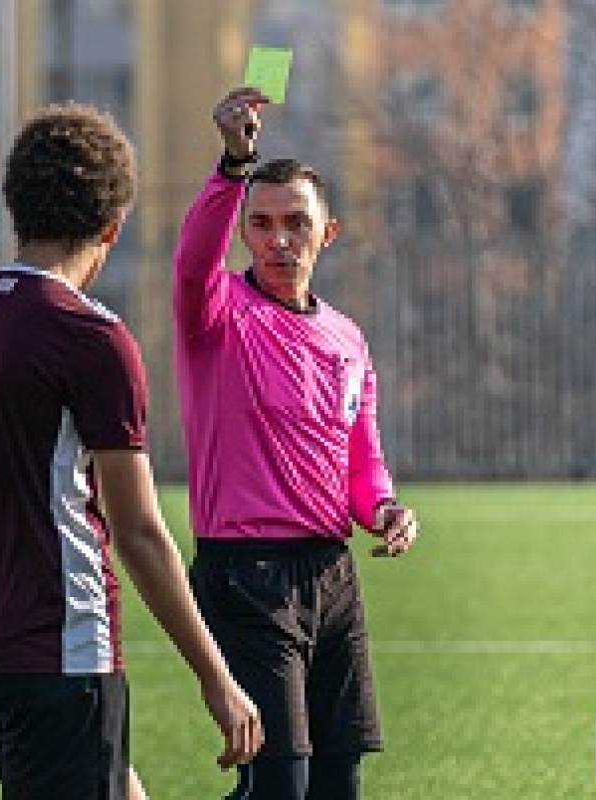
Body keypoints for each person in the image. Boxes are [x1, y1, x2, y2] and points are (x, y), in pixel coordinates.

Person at [0, 102, 263, 800]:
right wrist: (217, 680)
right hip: (63, 655)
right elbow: (137, 532)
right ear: (113, 225)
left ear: (16, 207)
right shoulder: (90, 337)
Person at [172, 86, 419, 800]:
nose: (280, 239)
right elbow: (191, 262)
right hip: (245, 573)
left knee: (339, 782)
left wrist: (387, 510)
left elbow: (361, 459)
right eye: (263, 224)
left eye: (296, 223)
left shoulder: (346, 336)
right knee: (280, 785)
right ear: (245, 231)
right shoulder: (216, 314)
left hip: (331, 574)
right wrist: (233, 164)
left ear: (327, 233)